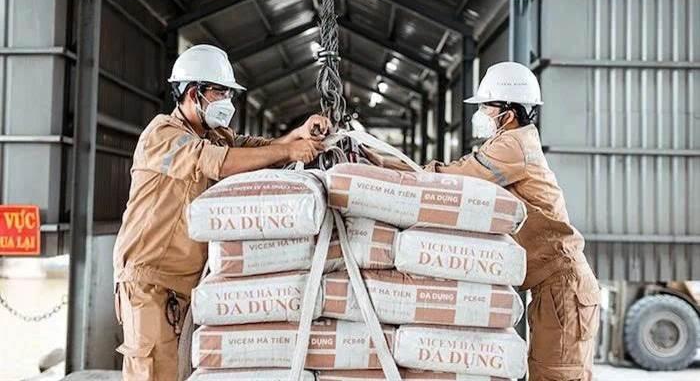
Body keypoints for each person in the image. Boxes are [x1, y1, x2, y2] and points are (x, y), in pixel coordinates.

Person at [369, 61, 600, 381]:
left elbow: (456, 178)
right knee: (545, 370)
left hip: (562, 284)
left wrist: (386, 167)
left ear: (508, 112)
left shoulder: (513, 146)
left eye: (486, 106)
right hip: (553, 283)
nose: (481, 114)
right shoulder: (510, 142)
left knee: (557, 375)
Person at [112, 44, 331, 380]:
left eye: (229, 93)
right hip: (150, 282)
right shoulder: (162, 135)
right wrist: (290, 151)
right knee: (154, 372)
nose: (227, 101)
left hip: (189, 286)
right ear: (193, 93)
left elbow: (260, 150)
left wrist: (298, 135)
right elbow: (217, 162)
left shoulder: (216, 136)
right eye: (220, 92)